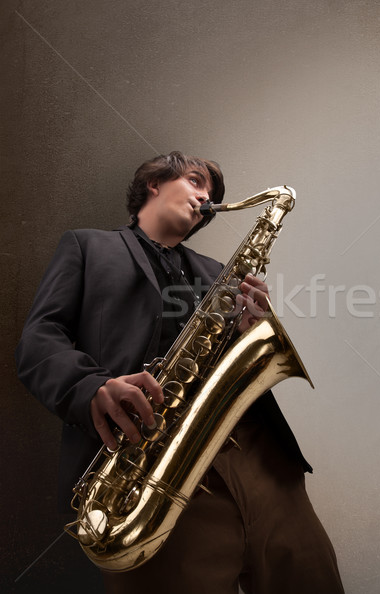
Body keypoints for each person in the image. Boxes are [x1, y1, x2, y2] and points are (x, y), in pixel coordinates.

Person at [15, 151, 344, 594]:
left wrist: (250, 330)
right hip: (148, 469)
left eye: (211, 193)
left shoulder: (218, 274)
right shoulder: (87, 246)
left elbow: (228, 359)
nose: (206, 197)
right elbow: (39, 341)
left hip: (261, 463)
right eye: (195, 182)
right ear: (154, 183)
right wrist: (92, 388)